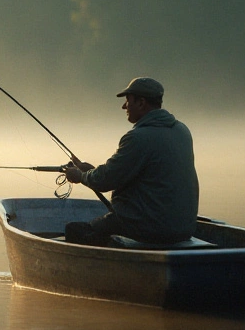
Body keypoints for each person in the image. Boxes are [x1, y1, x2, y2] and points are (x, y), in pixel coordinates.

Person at [62, 77, 199, 247]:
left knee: (74, 231)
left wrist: (80, 176)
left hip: (150, 228)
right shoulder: (182, 131)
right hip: (184, 228)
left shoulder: (138, 138)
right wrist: (89, 170)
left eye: (128, 101)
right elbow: (137, 173)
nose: (124, 107)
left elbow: (105, 180)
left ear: (141, 103)